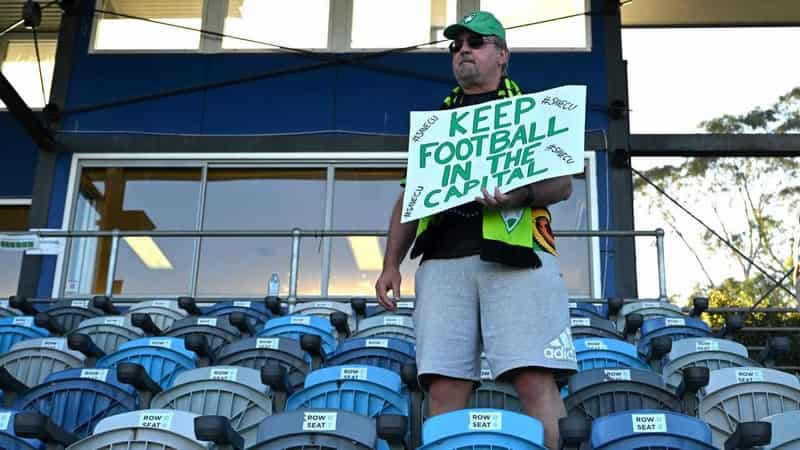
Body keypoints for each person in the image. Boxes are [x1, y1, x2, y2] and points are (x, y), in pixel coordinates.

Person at [375, 10, 577, 449]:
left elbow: (563, 184)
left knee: (533, 380)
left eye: (476, 42)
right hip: (442, 261)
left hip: (519, 257)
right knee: (444, 388)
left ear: (502, 55)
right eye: (456, 44)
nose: (463, 49)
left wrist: (520, 194)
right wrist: (391, 263)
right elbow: (411, 195)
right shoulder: (436, 125)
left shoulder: (533, 112)